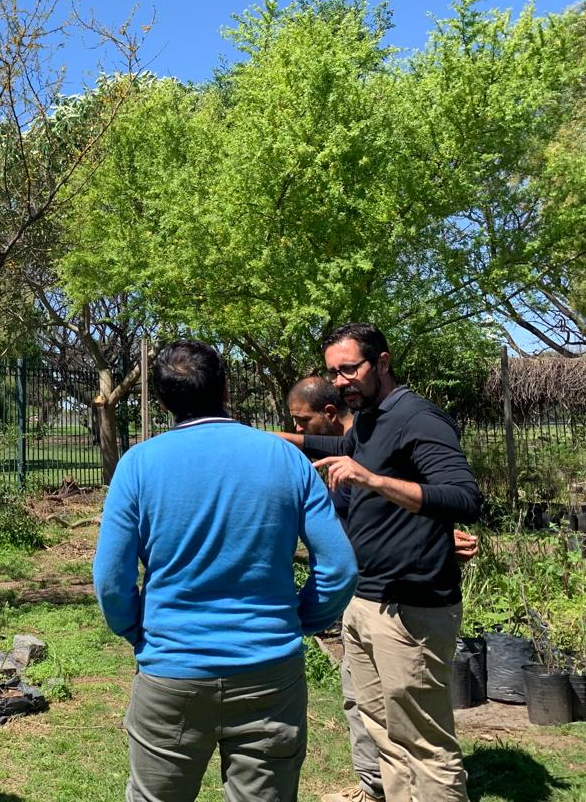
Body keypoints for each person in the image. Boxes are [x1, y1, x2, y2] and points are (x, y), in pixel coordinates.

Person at [94, 340, 358, 802]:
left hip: (171, 672)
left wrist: (137, 631)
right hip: (270, 675)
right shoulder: (286, 460)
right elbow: (339, 568)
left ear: (161, 402)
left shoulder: (138, 464)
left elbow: (112, 581)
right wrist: (299, 621)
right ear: (226, 389)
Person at [279, 324, 482, 802]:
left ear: (383, 363)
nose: (341, 381)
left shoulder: (418, 418)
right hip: (366, 600)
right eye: (334, 372)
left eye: (351, 368)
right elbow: (340, 448)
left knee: (424, 744)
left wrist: (372, 480)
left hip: (409, 607)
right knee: (386, 735)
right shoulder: (369, 420)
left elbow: (463, 497)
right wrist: (269, 439)